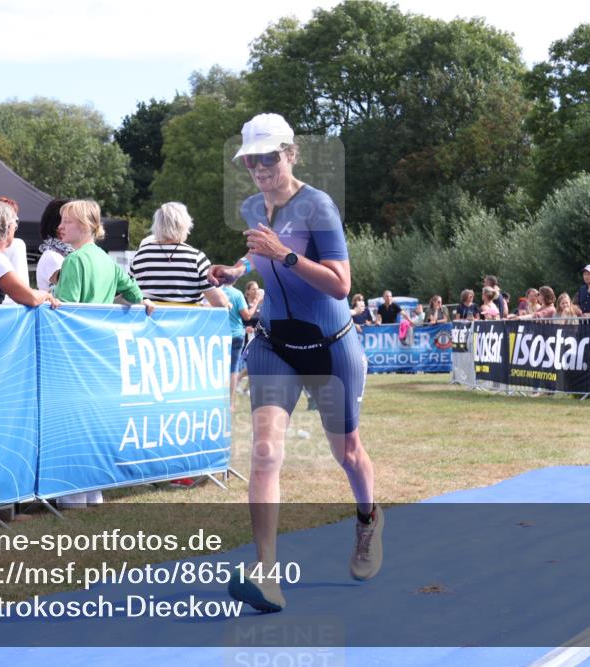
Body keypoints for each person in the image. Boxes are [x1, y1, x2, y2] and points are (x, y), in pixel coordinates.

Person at [207, 112, 379, 612]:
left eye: (269, 156)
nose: (259, 166)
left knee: (347, 453)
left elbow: (341, 283)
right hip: (274, 343)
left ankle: (368, 519)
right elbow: (260, 257)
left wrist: (283, 254)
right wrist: (234, 271)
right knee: (264, 452)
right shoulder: (249, 206)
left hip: (330, 345)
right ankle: (266, 575)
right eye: (250, 159)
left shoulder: (318, 206)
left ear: (290, 154)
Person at [54, 199, 154, 507]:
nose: (60, 226)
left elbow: (66, 313)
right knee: (93, 424)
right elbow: (134, 290)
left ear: (84, 227)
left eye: (66, 221)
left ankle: (72, 495)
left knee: (72, 425)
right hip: (100, 355)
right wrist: (144, 302)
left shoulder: (74, 261)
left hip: (75, 356)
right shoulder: (107, 261)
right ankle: (94, 491)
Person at [128, 202, 227, 306]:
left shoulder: (140, 256)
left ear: (157, 225)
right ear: (185, 225)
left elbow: (128, 292)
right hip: (187, 320)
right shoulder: (196, 258)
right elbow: (220, 303)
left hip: (149, 320)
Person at [0, 200, 59, 308]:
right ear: (7, 228)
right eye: (15, 225)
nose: (15, 229)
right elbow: (30, 298)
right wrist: (46, 295)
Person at [0, 195, 31, 302]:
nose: (15, 225)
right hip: (8, 309)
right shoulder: (16, 244)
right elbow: (23, 286)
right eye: (14, 220)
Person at [221, 284, 251, 409]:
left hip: (219, 334)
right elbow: (247, 316)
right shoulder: (237, 294)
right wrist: (256, 303)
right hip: (236, 334)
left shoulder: (215, 291)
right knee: (233, 369)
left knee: (220, 368)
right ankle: (230, 404)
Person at [36, 198, 72, 292]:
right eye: (70, 221)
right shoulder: (53, 257)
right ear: (58, 226)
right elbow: (70, 291)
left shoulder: (64, 253)